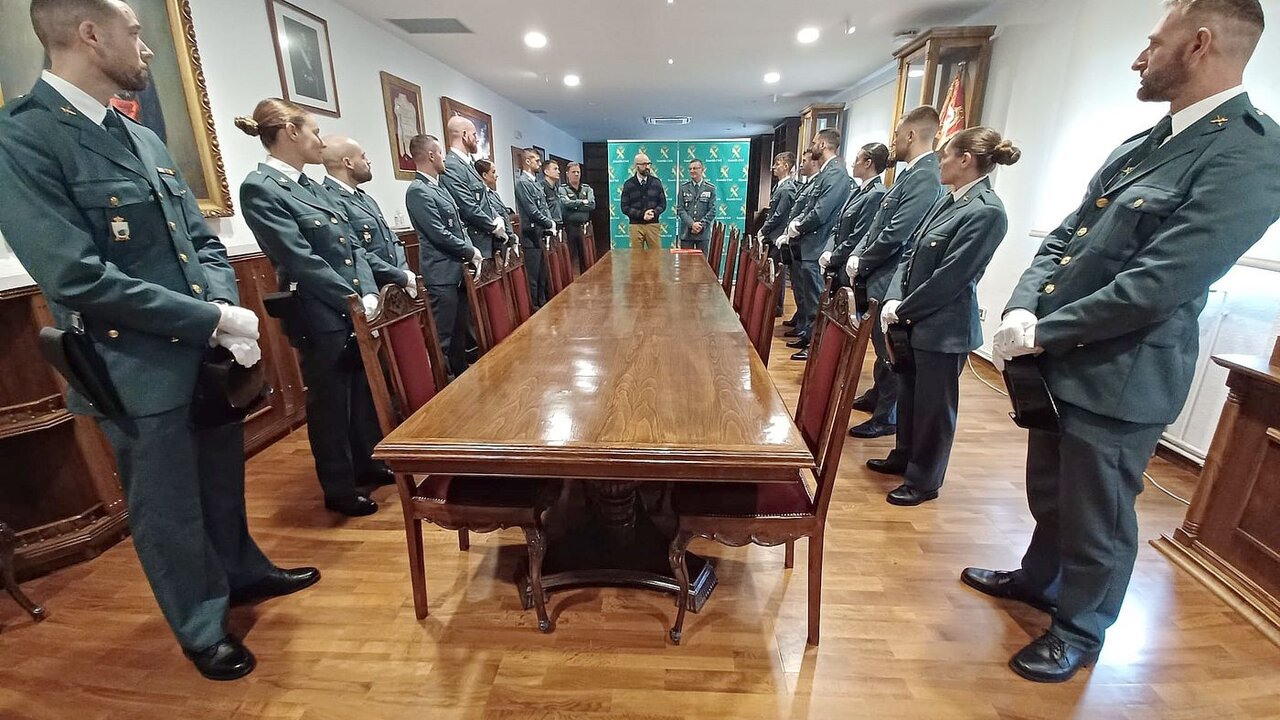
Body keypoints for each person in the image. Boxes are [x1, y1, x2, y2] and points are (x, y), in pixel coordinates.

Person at [0, 0, 317, 681]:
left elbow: (201, 242)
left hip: (205, 350)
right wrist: (208, 320)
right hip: (133, 362)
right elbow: (76, 275)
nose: (145, 49)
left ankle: (241, 570)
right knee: (168, 505)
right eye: (135, 32)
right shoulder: (22, 137)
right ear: (90, 33)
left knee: (220, 479)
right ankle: (201, 625)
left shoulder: (137, 135)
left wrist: (224, 311)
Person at [971, 0, 1279, 684]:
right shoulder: (1146, 143)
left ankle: (1080, 628)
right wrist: (1023, 309)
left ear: (1199, 44)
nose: (1139, 56)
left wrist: (1043, 330)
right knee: (1053, 492)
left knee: (1099, 517)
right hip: (1058, 358)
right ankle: (1037, 578)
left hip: (1121, 374)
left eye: (1152, 40)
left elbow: (1159, 283)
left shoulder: (1252, 151)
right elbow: (1064, 236)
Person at [238, 98, 407, 519]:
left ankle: (368, 462)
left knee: (363, 391)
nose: (319, 140)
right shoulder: (261, 187)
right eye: (313, 131)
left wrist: (368, 293)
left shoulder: (311, 187)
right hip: (318, 311)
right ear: (290, 133)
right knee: (331, 401)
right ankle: (338, 485)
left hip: (352, 305)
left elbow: (354, 248)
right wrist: (351, 299)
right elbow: (300, 260)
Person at [876, 128, 1020, 508]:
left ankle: (925, 479)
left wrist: (903, 309)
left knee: (934, 409)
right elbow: (910, 255)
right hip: (914, 322)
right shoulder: (950, 200)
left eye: (944, 156)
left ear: (965, 160)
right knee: (909, 396)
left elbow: (951, 279)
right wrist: (894, 299)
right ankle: (904, 457)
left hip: (943, 328)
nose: (939, 162)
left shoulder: (986, 211)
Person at [845, 106, 944, 440]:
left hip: (892, 275)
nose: (894, 143)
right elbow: (879, 224)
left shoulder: (926, 175)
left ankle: (888, 415)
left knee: (889, 348)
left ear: (912, 135)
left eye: (898, 135)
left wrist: (864, 259)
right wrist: (859, 254)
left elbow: (898, 233)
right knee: (878, 344)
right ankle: (879, 396)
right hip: (879, 271)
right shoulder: (910, 173)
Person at [406, 134, 483, 377]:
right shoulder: (418, 191)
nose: (443, 159)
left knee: (459, 335)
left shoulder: (438, 188)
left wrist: (471, 252)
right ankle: (443, 382)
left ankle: (460, 377)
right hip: (441, 275)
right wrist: (470, 251)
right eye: (440, 153)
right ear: (430, 155)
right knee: (444, 338)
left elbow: (458, 226)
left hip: (456, 271)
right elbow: (438, 234)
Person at [779, 129, 851, 361]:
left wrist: (798, 226)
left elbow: (821, 212)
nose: (812, 148)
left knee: (815, 299)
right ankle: (807, 334)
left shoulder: (836, 173)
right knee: (807, 298)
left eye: (813, 143)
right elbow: (810, 205)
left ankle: (815, 344)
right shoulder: (826, 173)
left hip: (817, 245)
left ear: (822, 144)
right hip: (807, 245)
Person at [320, 135, 411, 271]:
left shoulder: (366, 199)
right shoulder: (329, 200)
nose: (368, 161)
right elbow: (356, 251)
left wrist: (404, 271)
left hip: (395, 284)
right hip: (370, 285)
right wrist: (399, 276)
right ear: (348, 163)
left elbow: (392, 239)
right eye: (363, 157)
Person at [819, 143, 891, 293]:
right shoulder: (857, 191)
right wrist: (828, 250)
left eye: (857, 159)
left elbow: (858, 236)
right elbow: (837, 225)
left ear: (868, 163)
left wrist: (833, 258)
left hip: (847, 266)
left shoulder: (875, 194)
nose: (853, 163)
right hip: (837, 263)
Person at [440, 116, 507, 259]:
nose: (477, 139)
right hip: (476, 242)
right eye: (474, 135)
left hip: (487, 240)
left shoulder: (469, 164)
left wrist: (497, 217)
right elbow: (467, 207)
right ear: (464, 135)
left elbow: (485, 200)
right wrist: (493, 227)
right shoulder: (452, 166)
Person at [758, 152, 797, 318]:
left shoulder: (787, 188)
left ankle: (777, 306)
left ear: (786, 166)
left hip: (778, 238)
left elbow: (779, 215)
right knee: (772, 272)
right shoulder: (779, 186)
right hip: (773, 237)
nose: (774, 167)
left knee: (777, 273)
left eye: (777, 164)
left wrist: (763, 230)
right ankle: (773, 304)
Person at [515, 147, 555, 308]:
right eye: (536, 160)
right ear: (527, 161)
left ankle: (542, 303)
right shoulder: (522, 183)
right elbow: (532, 211)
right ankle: (535, 308)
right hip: (530, 235)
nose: (539, 163)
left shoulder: (535, 183)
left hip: (539, 234)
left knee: (542, 276)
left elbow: (543, 207)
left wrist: (548, 223)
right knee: (533, 277)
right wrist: (549, 223)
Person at [620, 152, 666, 249]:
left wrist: (654, 212)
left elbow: (663, 204)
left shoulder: (656, 182)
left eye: (649, 164)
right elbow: (624, 207)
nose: (647, 167)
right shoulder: (628, 184)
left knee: (655, 256)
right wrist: (642, 215)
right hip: (635, 226)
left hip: (653, 225)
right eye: (644, 164)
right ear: (637, 166)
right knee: (636, 257)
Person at [559, 161, 596, 272]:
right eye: (573, 172)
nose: (576, 174)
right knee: (569, 257)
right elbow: (565, 204)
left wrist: (574, 205)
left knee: (586, 257)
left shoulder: (587, 188)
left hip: (584, 227)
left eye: (578, 172)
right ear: (567, 173)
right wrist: (582, 202)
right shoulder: (563, 189)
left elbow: (592, 205)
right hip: (570, 227)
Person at [676, 158, 717, 254]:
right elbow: (680, 209)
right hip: (687, 233)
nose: (692, 171)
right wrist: (692, 224)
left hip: (703, 233)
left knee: (702, 265)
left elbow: (713, 209)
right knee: (685, 264)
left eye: (695, 168)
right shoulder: (684, 188)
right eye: (690, 169)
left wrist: (700, 225)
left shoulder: (710, 188)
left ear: (702, 170)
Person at [475, 158, 515, 254]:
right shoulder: (481, 196)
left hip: (505, 240)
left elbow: (504, 214)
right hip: (493, 243)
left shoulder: (494, 194)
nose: (496, 175)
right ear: (484, 175)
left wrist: (511, 236)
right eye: (493, 172)